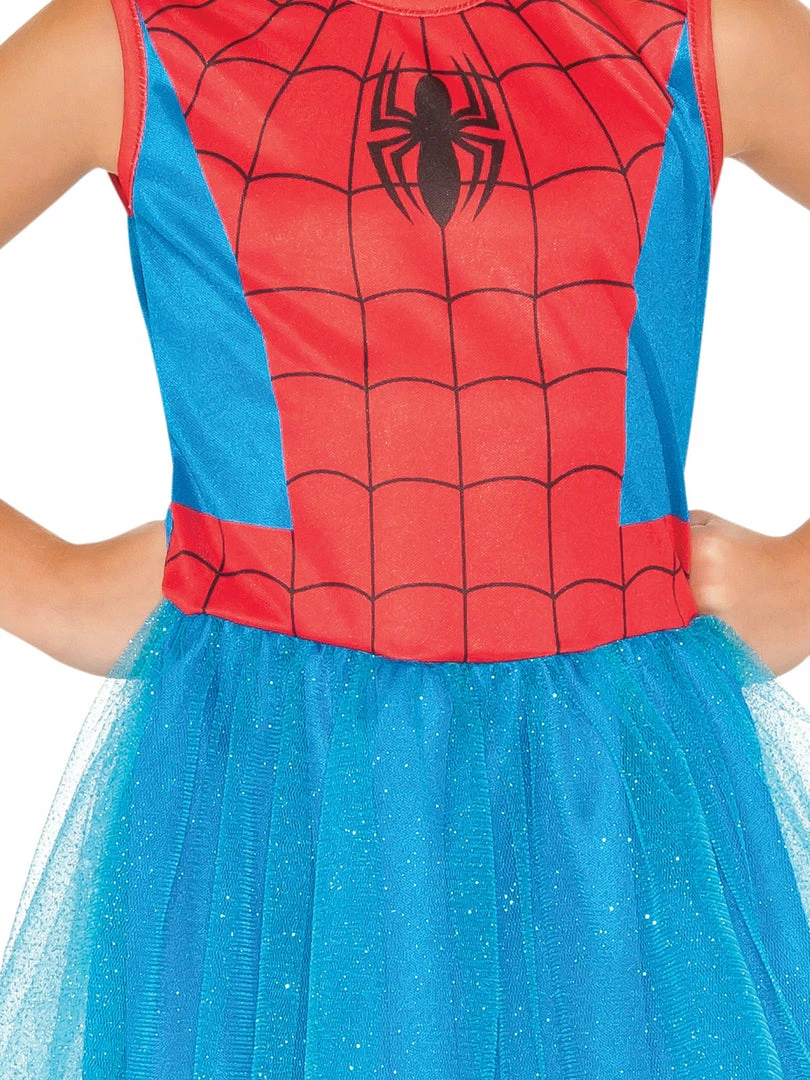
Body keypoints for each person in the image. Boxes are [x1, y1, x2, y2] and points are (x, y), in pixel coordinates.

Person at [2, 0, 810, 1072]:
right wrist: (45, 582)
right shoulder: (136, 40)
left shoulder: (701, 32)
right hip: (274, 791)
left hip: (608, 780)